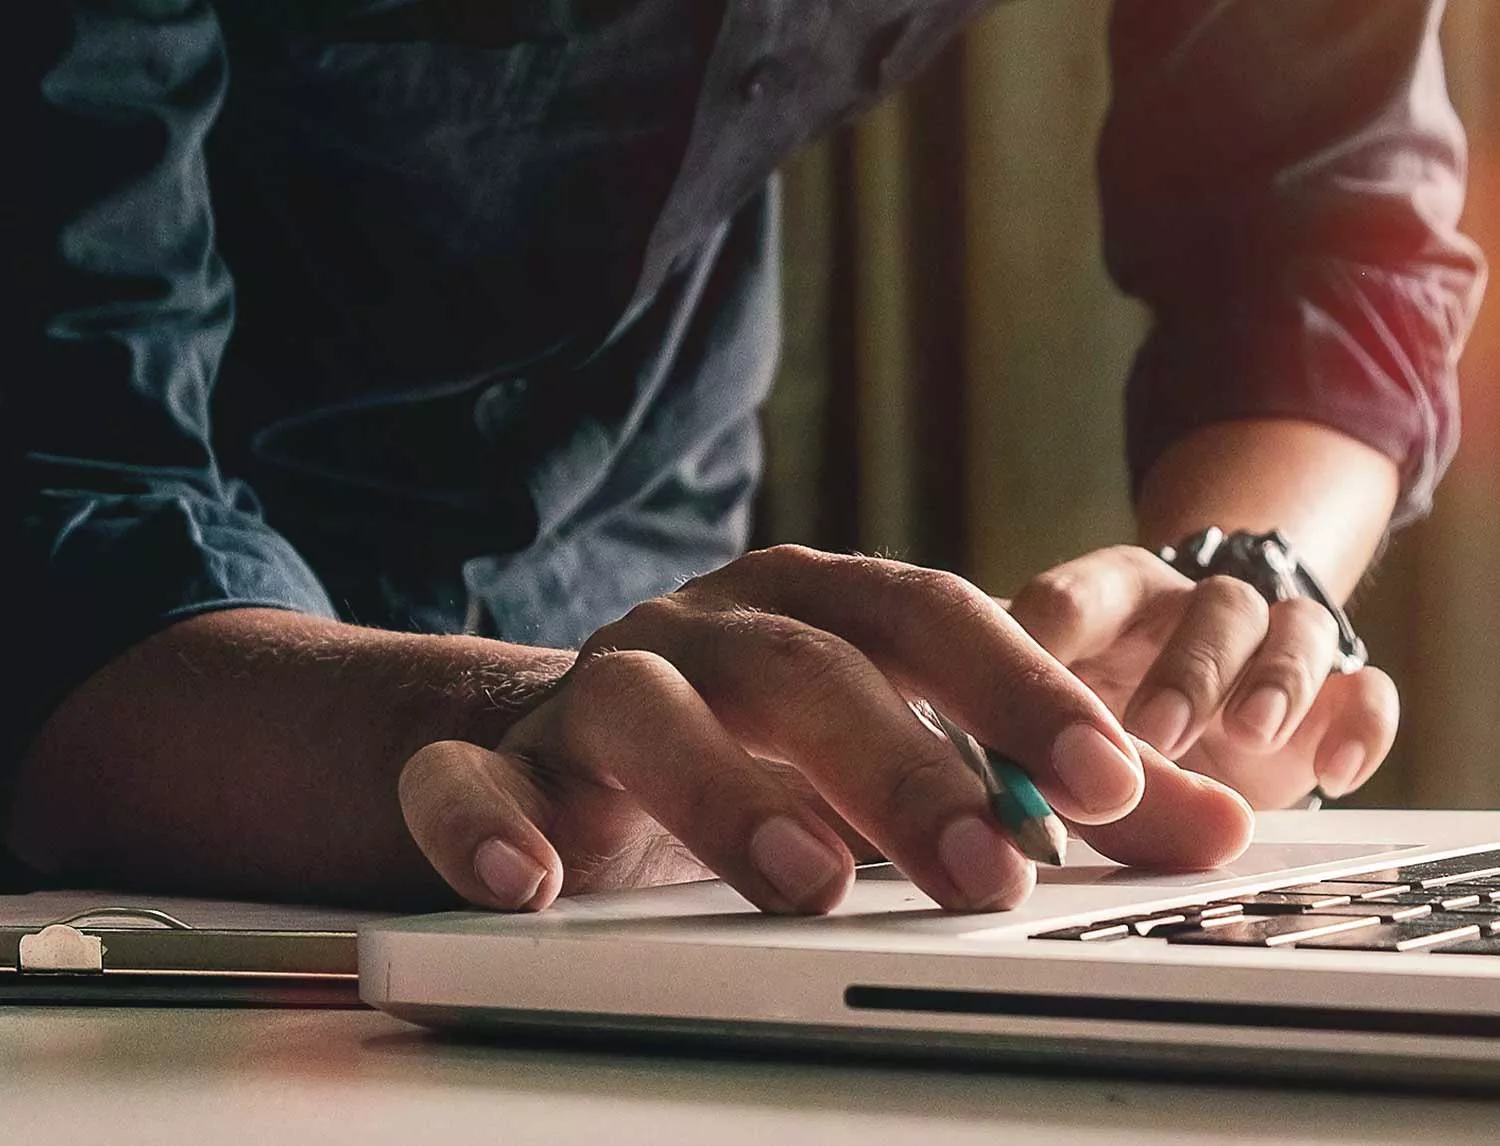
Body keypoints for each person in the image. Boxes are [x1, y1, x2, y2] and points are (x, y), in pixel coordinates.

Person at [9, 1, 1484, 913]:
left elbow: (1321, 209)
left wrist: (1232, 570)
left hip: (654, 761)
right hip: (158, 747)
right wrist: (527, 715)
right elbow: (59, 508)